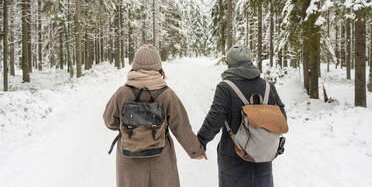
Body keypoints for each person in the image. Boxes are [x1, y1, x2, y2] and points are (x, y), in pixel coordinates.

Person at [103, 45, 205, 187]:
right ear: (158, 67)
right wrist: (196, 151)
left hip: (129, 160)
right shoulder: (167, 94)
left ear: (135, 66)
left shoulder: (122, 93)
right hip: (161, 159)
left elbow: (109, 122)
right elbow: (181, 127)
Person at [197, 45, 287, 187]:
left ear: (229, 64)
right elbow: (282, 119)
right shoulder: (268, 86)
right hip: (262, 156)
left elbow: (215, 119)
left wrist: (200, 142)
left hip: (234, 156)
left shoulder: (225, 87)